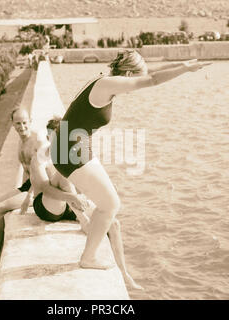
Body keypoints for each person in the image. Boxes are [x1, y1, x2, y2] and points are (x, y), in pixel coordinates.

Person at [50, 50, 212, 269]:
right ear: (127, 74)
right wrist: (184, 69)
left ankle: (90, 230)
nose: (134, 88)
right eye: (135, 79)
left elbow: (151, 73)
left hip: (68, 146)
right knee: (110, 204)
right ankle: (88, 258)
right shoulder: (108, 85)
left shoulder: (103, 80)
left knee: (107, 202)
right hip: (69, 150)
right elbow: (152, 79)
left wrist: (179, 64)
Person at [31, 118, 143, 290]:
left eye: (62, 138)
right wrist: (76, 201)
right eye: (54, 138)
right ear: (48, 137)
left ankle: (124, 273)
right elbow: (46, 189)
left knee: (113, 223)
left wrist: (93, 204)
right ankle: (83, 220)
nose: (58, 142)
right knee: (62, 175)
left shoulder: (71, 154)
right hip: (47, 207)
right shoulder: (40, 157)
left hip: (69, 204)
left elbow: (88, 185)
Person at [0, 107, 46, 269]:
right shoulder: (21, 141)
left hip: (36, 188)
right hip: (26, 186)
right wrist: (19, 191)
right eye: (18, 123)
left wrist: (28, 196)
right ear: (12, 124)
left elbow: (41, 173)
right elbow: (25, 171)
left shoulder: (36, 142)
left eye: (25, 123)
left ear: (31, 121)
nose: (22, 127)